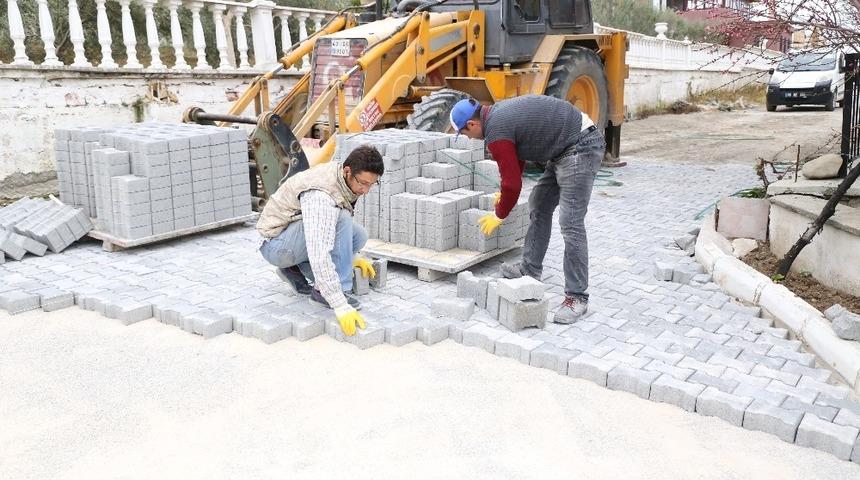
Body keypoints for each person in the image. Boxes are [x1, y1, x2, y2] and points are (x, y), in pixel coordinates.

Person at [450, 95, 606, 323]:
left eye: (465, 133)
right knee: (539, 203)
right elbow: (516, 159)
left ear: (472, 124)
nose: (468, 138)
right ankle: (530, 269)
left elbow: (513, 184)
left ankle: (577, 297)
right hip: (564, 147)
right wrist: (505, 194)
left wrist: (499, 213)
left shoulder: (496, 131)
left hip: (579, 147)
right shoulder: (496, 116)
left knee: (570, 222)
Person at [257, 145, 384, 336]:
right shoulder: (321, 195)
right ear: (347, 171)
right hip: (276, 245)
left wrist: (351, 256)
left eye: (371, 185)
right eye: (363, 183)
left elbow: (336, 235)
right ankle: (325, 292)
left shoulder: (341, 178)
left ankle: (293, 268)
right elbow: (319, 251)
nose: (365, 190)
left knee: (359, 236)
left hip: (291, 236)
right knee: (341, 218)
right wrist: (339, 304)